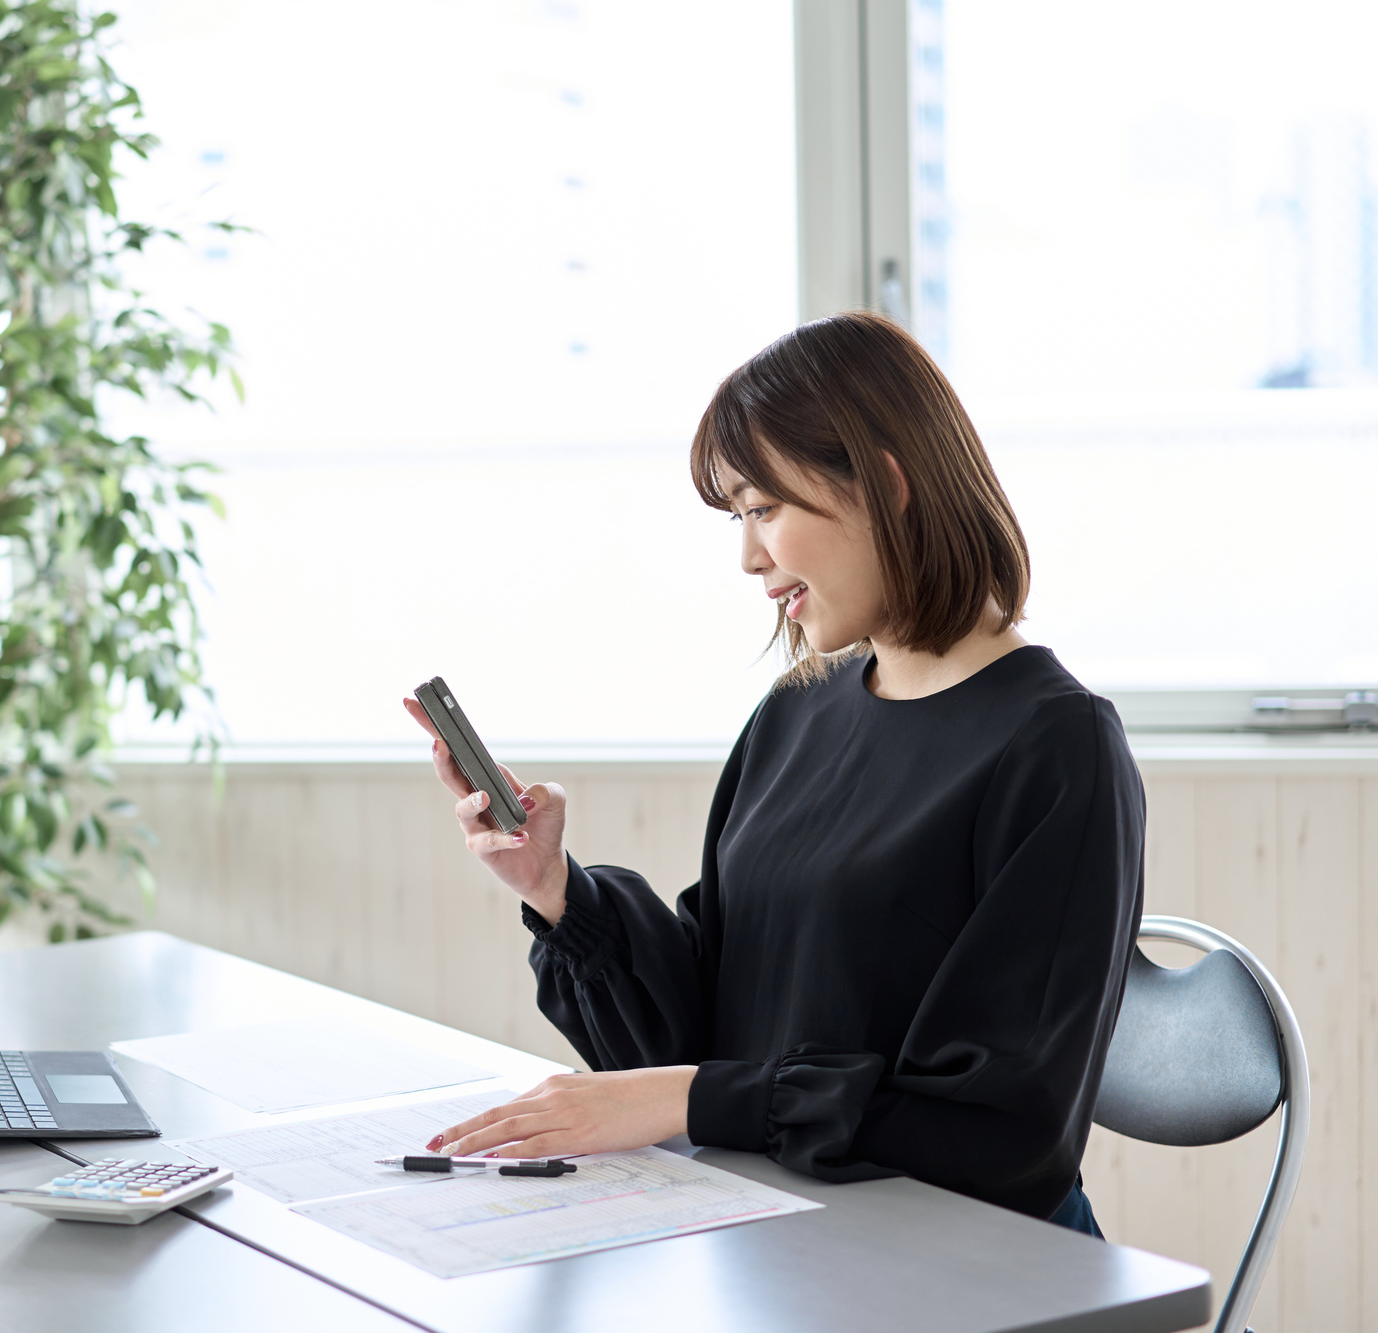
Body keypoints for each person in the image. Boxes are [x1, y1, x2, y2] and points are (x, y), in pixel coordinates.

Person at [400, 311, 1143, 1236]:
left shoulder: (1057, 746)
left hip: (960, 1263)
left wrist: (690, 1098)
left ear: (885, 483)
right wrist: (556, 892)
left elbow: (999, 1132)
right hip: (782, 1231)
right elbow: (702, 1036)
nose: (749, 557)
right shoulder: (798, 710)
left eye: (763, 509)